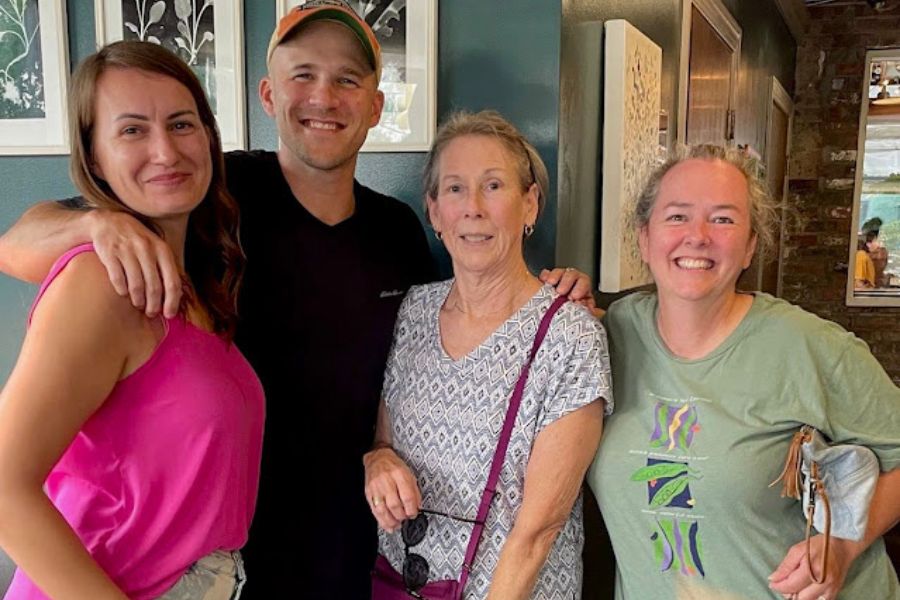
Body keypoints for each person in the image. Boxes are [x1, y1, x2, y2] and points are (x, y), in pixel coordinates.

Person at [0, 3, 592, 597]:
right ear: (268, 94)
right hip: (220, 553)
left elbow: (460, 323)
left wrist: (553, 299)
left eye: (347, 80)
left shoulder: (398, 230)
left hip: (357, 543)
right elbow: (16, 244)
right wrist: (94, 226)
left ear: (375, 106)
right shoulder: (209, 194)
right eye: (303, 75)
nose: (324, 97)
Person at [0, 41, 264, 600]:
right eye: (132, 130)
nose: (165, 151)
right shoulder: (98, 283)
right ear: (94, 158)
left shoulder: (191, 286)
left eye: (181, 124)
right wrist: (92, 224)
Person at [588, 144, 900, 599]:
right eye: (677, 216)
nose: (697, 235)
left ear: (751, 245)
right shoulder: (609, 335)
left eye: (723, 219)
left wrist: (844, 546)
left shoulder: (812, 348)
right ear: (644, 238)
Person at [363, 111, 613, 599]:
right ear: (433, 211)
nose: (473, 208)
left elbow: (537, 532)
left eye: (494, 186)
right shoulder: (413, 310)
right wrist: (378, 460)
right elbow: (384, 438)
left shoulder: (571, 337)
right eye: (454, 189)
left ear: (530, 205)